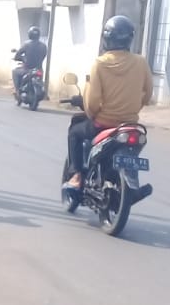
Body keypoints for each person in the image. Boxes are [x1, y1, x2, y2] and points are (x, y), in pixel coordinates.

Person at [63, 15, 153, 190]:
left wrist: (92, 114)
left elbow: (92, 102)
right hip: (130, 124)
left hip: (103, 123)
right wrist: (133, 109)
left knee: (75, 131)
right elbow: (148, 93)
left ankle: (76, 175)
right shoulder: (141, 62)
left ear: (107, 38)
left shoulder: (100, 64)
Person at [12, 25, 47, 97]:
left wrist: (22, 58)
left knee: (14, 71)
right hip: (39, 69)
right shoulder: (43, 46)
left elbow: (17, 56)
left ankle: (17, 91)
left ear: (29, 34)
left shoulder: (26, 44)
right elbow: (43, 56)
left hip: (27, 69)